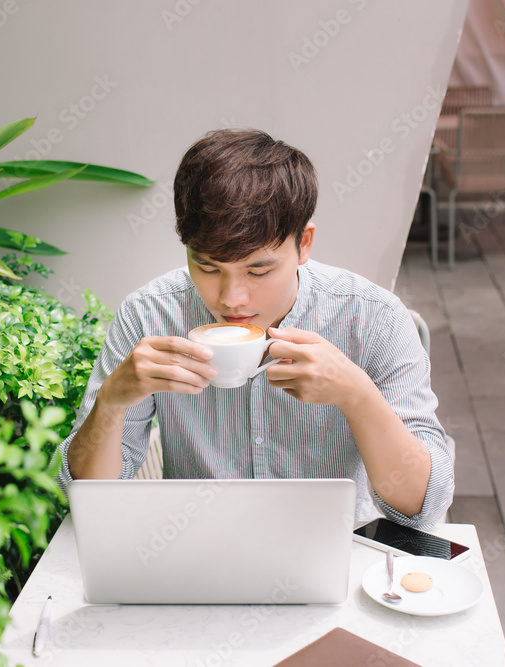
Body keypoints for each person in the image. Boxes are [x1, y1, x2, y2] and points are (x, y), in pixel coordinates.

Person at [56, 128, 454, 527]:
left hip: (341, 551)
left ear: (304, 244)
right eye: (208, 267)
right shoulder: (149, 315)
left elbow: (423, 507)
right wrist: (111, 402)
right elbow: (88, 499)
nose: (232, 298)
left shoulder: (374, 318)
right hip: (199, 550)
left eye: (258, 270)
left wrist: (357, 395)